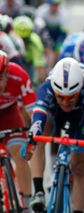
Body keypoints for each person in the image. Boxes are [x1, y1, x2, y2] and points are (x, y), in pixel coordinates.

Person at [24, 57, 84, 212]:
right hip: (56, 113)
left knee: (80, 167)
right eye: (61, 96)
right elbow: (38, 113)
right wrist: (33, 134)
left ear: (79, 90)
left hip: (80, 116)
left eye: (71, 97)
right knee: (40, 131)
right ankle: (38, 191)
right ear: (54, 89)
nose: (66, 102)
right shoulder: (46, 87)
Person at [0, 50, 35, 211]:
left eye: (0, 79)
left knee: (20, 153)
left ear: (7, 72)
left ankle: (26, 202)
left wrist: (34, 131)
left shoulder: (19, 75)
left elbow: (33, 110)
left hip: (9, 114)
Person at [12, 15, 47, 86]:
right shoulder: (9, 40)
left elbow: (39, 66)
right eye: (20, 39)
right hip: (15, 61)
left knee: (32, 81)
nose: (23, 44)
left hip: (29, 63)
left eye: (25, 39)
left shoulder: (35, 42)